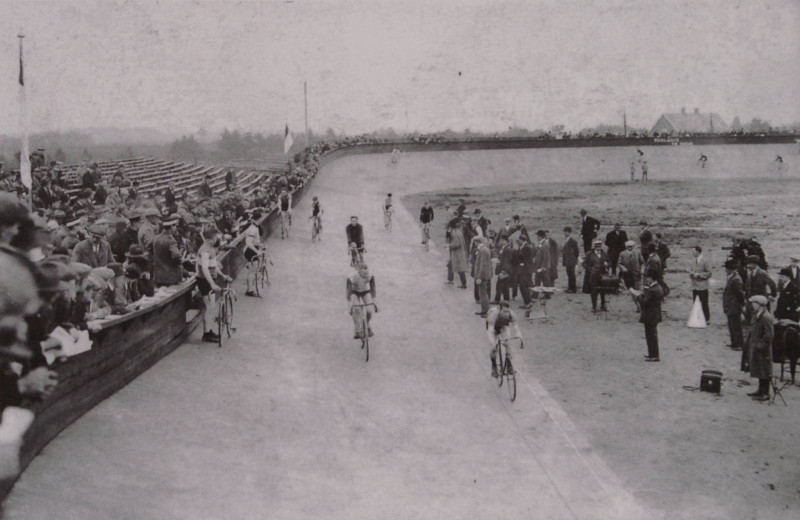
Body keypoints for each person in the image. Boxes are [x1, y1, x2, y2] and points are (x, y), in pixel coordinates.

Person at [196, 227, 232, 343]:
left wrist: (222, 275)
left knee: (211, 306)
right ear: (212, 238)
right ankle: (207, 333)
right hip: (204, 281)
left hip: (209, 280)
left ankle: (209, 330)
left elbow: (214, 265)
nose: (217, 239)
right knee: (209, 307)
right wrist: (211, 283)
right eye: (216, 237)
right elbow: (205, 268)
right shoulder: (205, 250)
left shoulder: (211, 249)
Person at [744, 295, 773, 401]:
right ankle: (760, 389)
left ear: (760, 305)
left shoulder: (766, 317)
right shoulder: (757, 315)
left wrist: (759, 346)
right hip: (756, 347)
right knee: (759, 369)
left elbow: (769, 336)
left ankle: (765, 392)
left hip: (763, 350)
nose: (752, 305)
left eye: (754, 303)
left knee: (765, 370)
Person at [633, 267, 665, 362]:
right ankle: (652, 354)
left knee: (651, 335)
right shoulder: (658, 287)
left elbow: (644, 302)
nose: (647, 279)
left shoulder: (652, 290)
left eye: (648, 277)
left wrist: (638, 296)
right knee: (652, 335)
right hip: (655, 315)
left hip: (650, 315)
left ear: (652, 278)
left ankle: (654, 355)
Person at [486, 301, 523, 378]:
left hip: (503, 326)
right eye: (504, 312)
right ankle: (494, 366)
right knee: (493, 347)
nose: (507, 314)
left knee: (508, 342)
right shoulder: (493, 315)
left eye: (508, 311)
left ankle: (509, 365)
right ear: (500, 310)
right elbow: (490, 330)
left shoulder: (512, 314)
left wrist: (520, 338)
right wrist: (493, 343)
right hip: (493, 327)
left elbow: (516, 328)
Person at [346, 263, 378, 339]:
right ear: (359, 272)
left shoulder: (370, 276)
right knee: (356, 309)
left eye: (367, 273)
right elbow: (349, 292)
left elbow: (373, 290)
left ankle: (366, 325)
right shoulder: (351, 277)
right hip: (354, 292)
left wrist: (374, 302)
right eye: (364, 274)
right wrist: (350, 304)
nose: (366, 275)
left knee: (370, 310)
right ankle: (357, 330)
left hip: (365, 291)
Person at [152, 215, 183, 287]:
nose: (176, 229)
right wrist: (180, 255)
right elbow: (176, 256)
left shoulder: (156, 238)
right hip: (171, 276)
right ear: (172, 227)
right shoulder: (171, 240)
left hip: (158, 275)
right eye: (175, 226)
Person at [723, 259, 745, 351]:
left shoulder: (736, 279)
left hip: (734, 306)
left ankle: (739, 344)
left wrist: (741, 305)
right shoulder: (732, 277)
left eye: (727, 269)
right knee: (732, 324)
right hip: (731, 305)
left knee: (736, 325)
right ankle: (734, 343)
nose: (725, 271)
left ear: (731, 269)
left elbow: (740, 294)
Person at [584, 239, 610, 312]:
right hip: (593, 276)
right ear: (594, 246)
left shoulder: (604, 254)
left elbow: (609, 261)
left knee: (603, 290)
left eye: (599, 246)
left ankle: (603, 305)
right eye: (597, 246)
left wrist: (607, 264)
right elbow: (584, 263)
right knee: (593, 291)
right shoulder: (589, 254)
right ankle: (594, 306)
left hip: (602, 275)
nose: (598, 247)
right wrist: (590, 269)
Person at [689, 245, 712, 323]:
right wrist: (691, 274)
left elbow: (709, 273)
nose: (692, 253)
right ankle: (697, 317)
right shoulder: (693, 261)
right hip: (695, 286)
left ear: (698, 251)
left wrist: (699, 275)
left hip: (703, 286)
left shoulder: (705, 261)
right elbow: (691, 270)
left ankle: (706, 319)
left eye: (694, 251)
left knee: (704, 303)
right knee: (695, 302)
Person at [242, 211, 263, 297]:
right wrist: (257, 251)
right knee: (252, 271)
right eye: (258, 219)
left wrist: (259, 245)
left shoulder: (255, 227)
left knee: (253, 270)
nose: (260, 220)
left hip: (253, 249)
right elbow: (248, 243)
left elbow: (255, 241)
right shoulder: (252, 229)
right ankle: (249, 290)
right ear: (254, 220)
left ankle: (250, 288)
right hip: (250, 251)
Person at [473, 237, 493, 317]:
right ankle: (484, 309)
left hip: (483, 276)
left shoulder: (483, 250)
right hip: (483, 275)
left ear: (476, 242)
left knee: (483, 294)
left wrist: (479, 277)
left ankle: (486, 311)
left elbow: (483, 265)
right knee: (482, 294)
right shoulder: (484, 249)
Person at [447, 222, 469, 288]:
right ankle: (450, 279)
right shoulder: (459, 232)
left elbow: (456, 244)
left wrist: (449, 245)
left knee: (460, 269)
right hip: (460, 253)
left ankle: (464, 284)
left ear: (451, 228)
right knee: (450, 264)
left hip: (458, 254)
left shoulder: (455, 234)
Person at [562, 226, 580, 293]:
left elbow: (576, 252)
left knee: (571, 275)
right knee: (569, 274)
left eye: (566, 232)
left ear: (569, 233)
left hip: (571, 261)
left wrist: (574, 259)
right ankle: (570, 288)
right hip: (568, 261)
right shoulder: (568, 241)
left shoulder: (572, 241)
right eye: (564, 232)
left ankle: (573, 288)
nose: (565, 234)